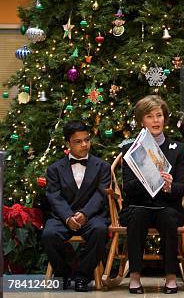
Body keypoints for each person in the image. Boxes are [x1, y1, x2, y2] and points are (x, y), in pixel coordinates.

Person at [121, 95, 184, 294]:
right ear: (142, 121)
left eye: (159, 115)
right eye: (150, 116)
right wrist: (146, 177)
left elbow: (182, 186)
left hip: (167, 206)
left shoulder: (178, 149)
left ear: (165, 119)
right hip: (138, 205)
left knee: (167, 218)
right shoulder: (130, 149)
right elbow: (128, 188)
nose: (156, 120)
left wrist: (168, 186)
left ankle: (171, 277)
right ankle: (134, 277)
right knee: (138, 217)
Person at [41, 120, 111, 292]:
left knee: (100, 231)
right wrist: (67, 217)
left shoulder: (102, 166)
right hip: (63, 217)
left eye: (87, 140)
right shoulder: (54, 169)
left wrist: (85, 214)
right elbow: (54, 196)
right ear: (68, 143)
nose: (84, 145)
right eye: (78, 141)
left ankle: (82, 277)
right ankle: (64, 274)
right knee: (49, 234)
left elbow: (101, 195)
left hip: (91, 216)